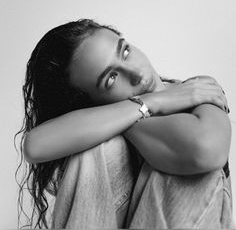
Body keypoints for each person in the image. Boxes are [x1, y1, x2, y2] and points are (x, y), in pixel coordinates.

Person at [14, 19, 233, 228]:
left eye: (125, 52)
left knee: (184, 150)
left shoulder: (196, 89)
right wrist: (150, 103)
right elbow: (35, 145)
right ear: (91, 102)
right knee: (96, 149)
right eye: (111, 78)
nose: (136, 74)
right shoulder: (116, 121)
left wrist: (127, 117)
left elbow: (206, 149)